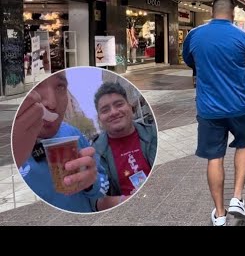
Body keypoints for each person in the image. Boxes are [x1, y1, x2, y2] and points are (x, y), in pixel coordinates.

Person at [182, 0, 245, 226]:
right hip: (239, 106)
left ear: (211, 12)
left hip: (209, 110)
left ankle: (219, 214)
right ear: (232, 14)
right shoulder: (243, 37)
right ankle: (237, 197)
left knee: (214, 157)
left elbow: (190, 61)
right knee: (244, 144)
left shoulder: (194, 36)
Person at [12, 72, 108, 213]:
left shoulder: (72, 133)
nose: (51, 103)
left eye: (60, 86)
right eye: (35, 86)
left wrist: (90, 183)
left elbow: (103, 184)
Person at [91, 81, 157, 211]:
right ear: (99, 118)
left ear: (130, 107)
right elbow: (94, 201)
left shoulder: (154, 133)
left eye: (119, 104)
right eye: (105, 110)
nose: (114, 112)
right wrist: (124, 200)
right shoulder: (95, 154)